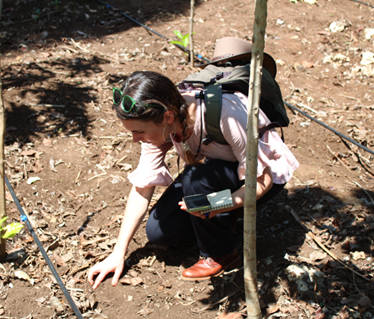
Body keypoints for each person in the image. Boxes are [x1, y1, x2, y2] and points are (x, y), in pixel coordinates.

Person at [88, 37, 299, 289]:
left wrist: (220, 204)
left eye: (139, 132)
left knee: (195, 180)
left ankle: (220, 252)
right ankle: (220, 217)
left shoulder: (225, 112)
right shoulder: (161, 120)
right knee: (158, 233)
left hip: (261, 173)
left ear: (167, 116)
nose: (135, 140)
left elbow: (262, 178)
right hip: (216, 168)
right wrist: (117, 252)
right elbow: (142, 187)